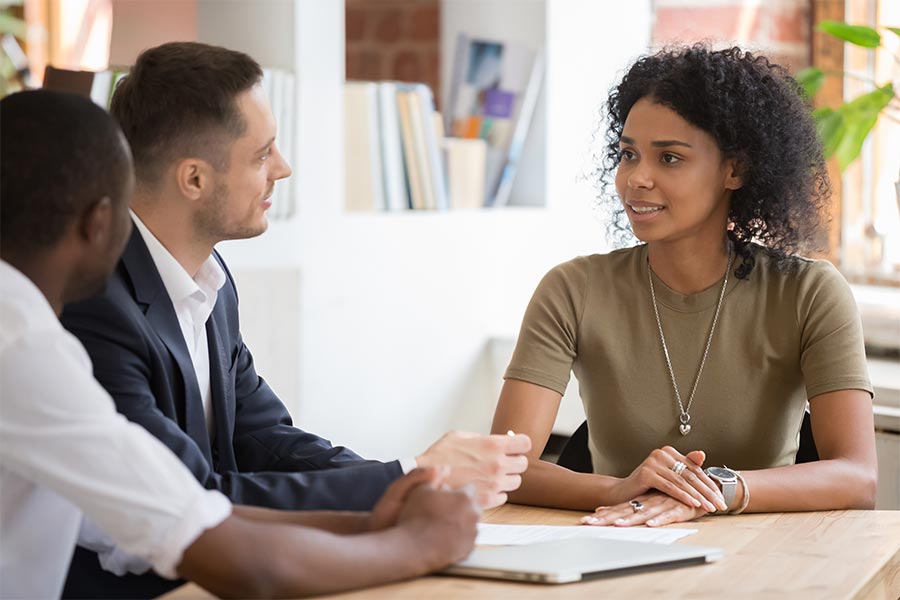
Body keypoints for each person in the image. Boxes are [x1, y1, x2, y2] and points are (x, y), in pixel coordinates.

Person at [59, 41, 529, 596]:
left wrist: (414, 483)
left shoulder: (210, 279)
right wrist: (404, 478)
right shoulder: (94, 306)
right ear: (193, 179)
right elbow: (194, 497)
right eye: (262, 155)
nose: (282, 168)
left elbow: (266, 439)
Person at [491, 45, 877, 527]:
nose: (637, 178)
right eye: (627, 154)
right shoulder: (572, 289)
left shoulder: (810, 293)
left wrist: (715, 489)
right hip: (618, 545)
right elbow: (506, 469)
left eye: (669, 158)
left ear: (734, 170)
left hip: (767, 553)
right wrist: (622, 488)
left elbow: (858, 477)